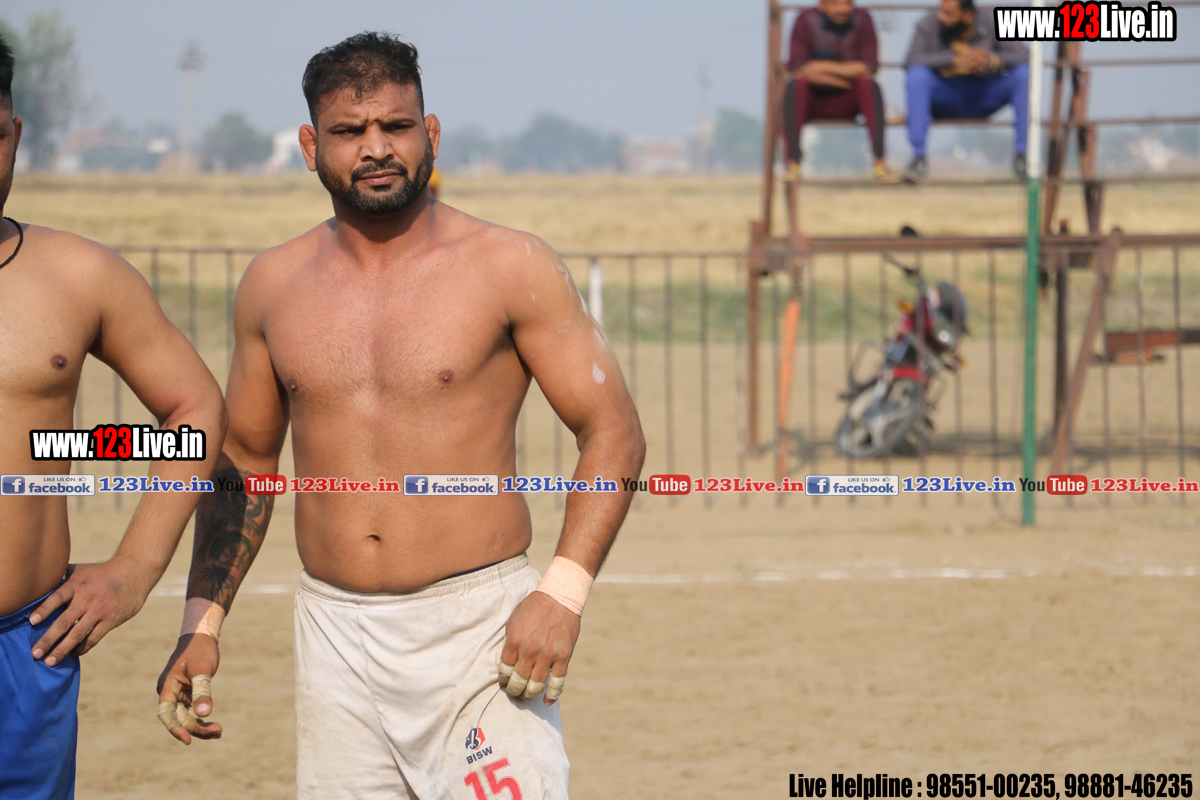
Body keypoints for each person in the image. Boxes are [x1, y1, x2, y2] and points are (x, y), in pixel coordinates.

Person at [155, 32, 645, 800]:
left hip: (481, 632)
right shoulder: (272, 285)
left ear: (432, 133)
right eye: (350, 131)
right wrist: (201, 625)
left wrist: (561, 594)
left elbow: (613, 430)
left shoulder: (508, 265)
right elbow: (245, 463)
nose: (377, 148)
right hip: (334, 638)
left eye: (397, 126)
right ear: (311, 146)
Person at [0, 35, 226, 800]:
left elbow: (194, 408)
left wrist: (135, 568)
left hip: (24, 655)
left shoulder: (78, 276)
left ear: (16, 134)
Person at [902, 0, 1030, 182]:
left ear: (968, 15)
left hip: (985, 94)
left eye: (949, 14)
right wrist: (953, 60)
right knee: (917, 76)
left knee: (1023, 73)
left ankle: (1023, 156)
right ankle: (918, 157)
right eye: (941, 11)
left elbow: (1024, 55)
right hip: (948, 95)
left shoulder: (993, 21)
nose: (941, 17)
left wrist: (991, 60)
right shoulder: (928, 24)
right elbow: (911, 60)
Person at [783, 0, 896, 181]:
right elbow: (798, 68)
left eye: (847, 3)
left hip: (850, 102)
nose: (842, 9)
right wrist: (848, 75)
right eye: (835, 4)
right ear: (821, 5)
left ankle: (879, 163)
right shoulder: (805, 20)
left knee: (869, 86)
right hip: (814, 99)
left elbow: (869, 68)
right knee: (795, 87)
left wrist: (818, 66)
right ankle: (793, 163)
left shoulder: (863, 19)